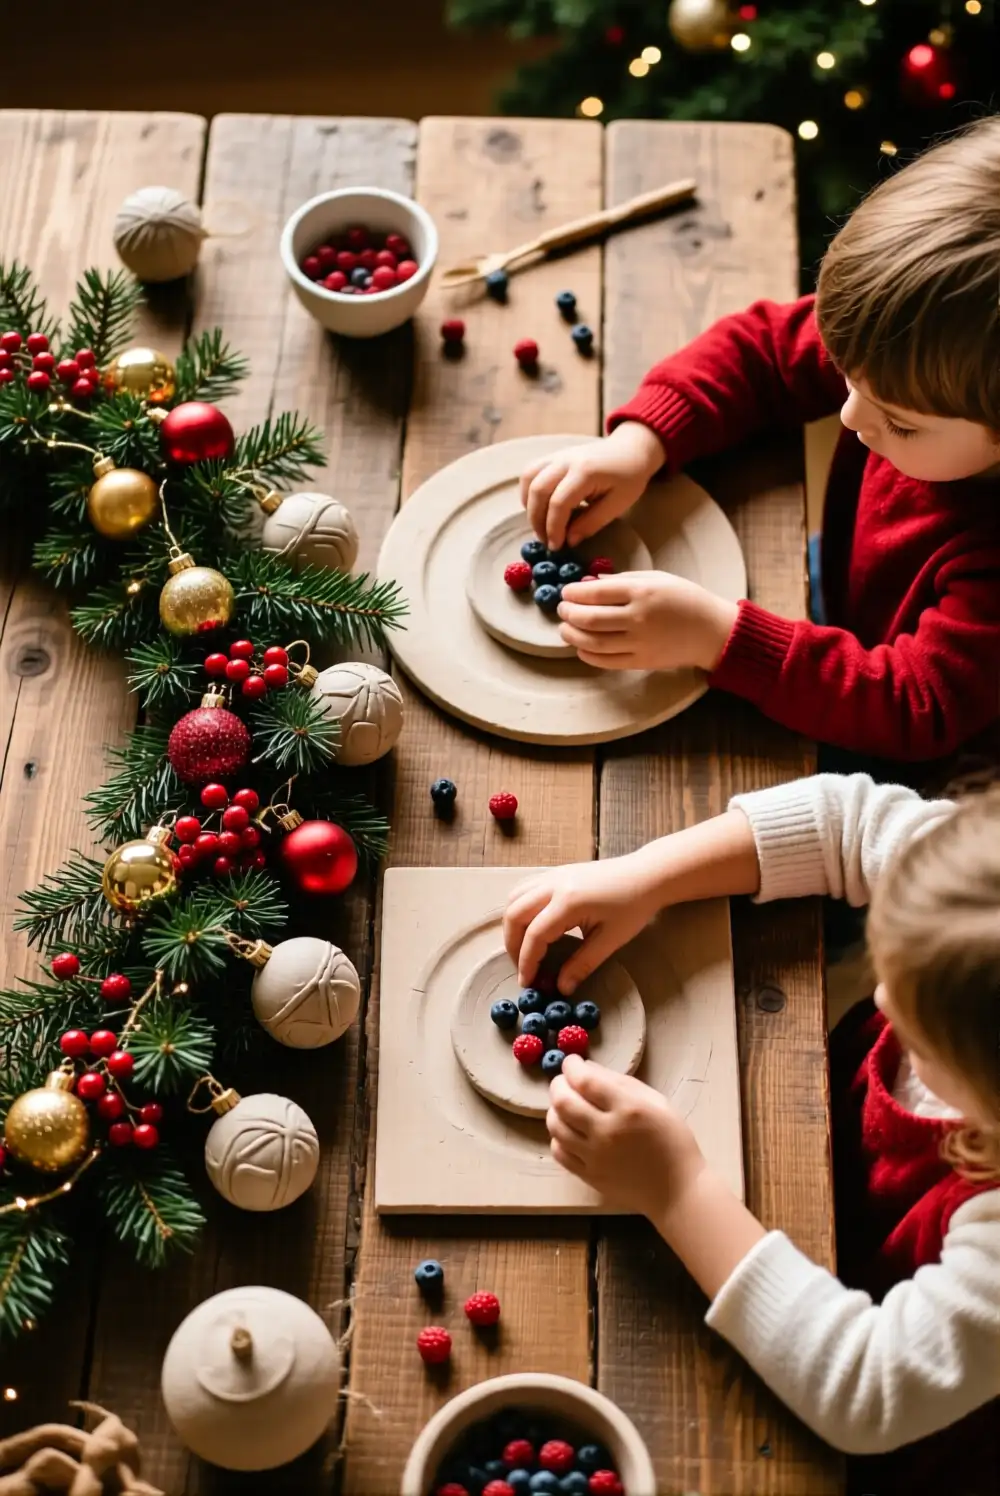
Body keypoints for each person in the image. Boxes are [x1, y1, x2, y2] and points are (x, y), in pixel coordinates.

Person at [502, 774, 1000, 1493]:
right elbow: (845, 821)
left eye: (920, 1033)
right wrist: (646, 876)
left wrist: (676, 1190)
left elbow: (867, 1388)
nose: (882, 995)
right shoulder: (976, 895)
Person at [520, 118, 1000, 765]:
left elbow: (915, 705)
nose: (850, 417)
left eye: (902, 424)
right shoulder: (904, 352)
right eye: (845, 376)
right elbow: (764, 350)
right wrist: (641, 441)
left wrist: (719, 637)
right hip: (843, 593)